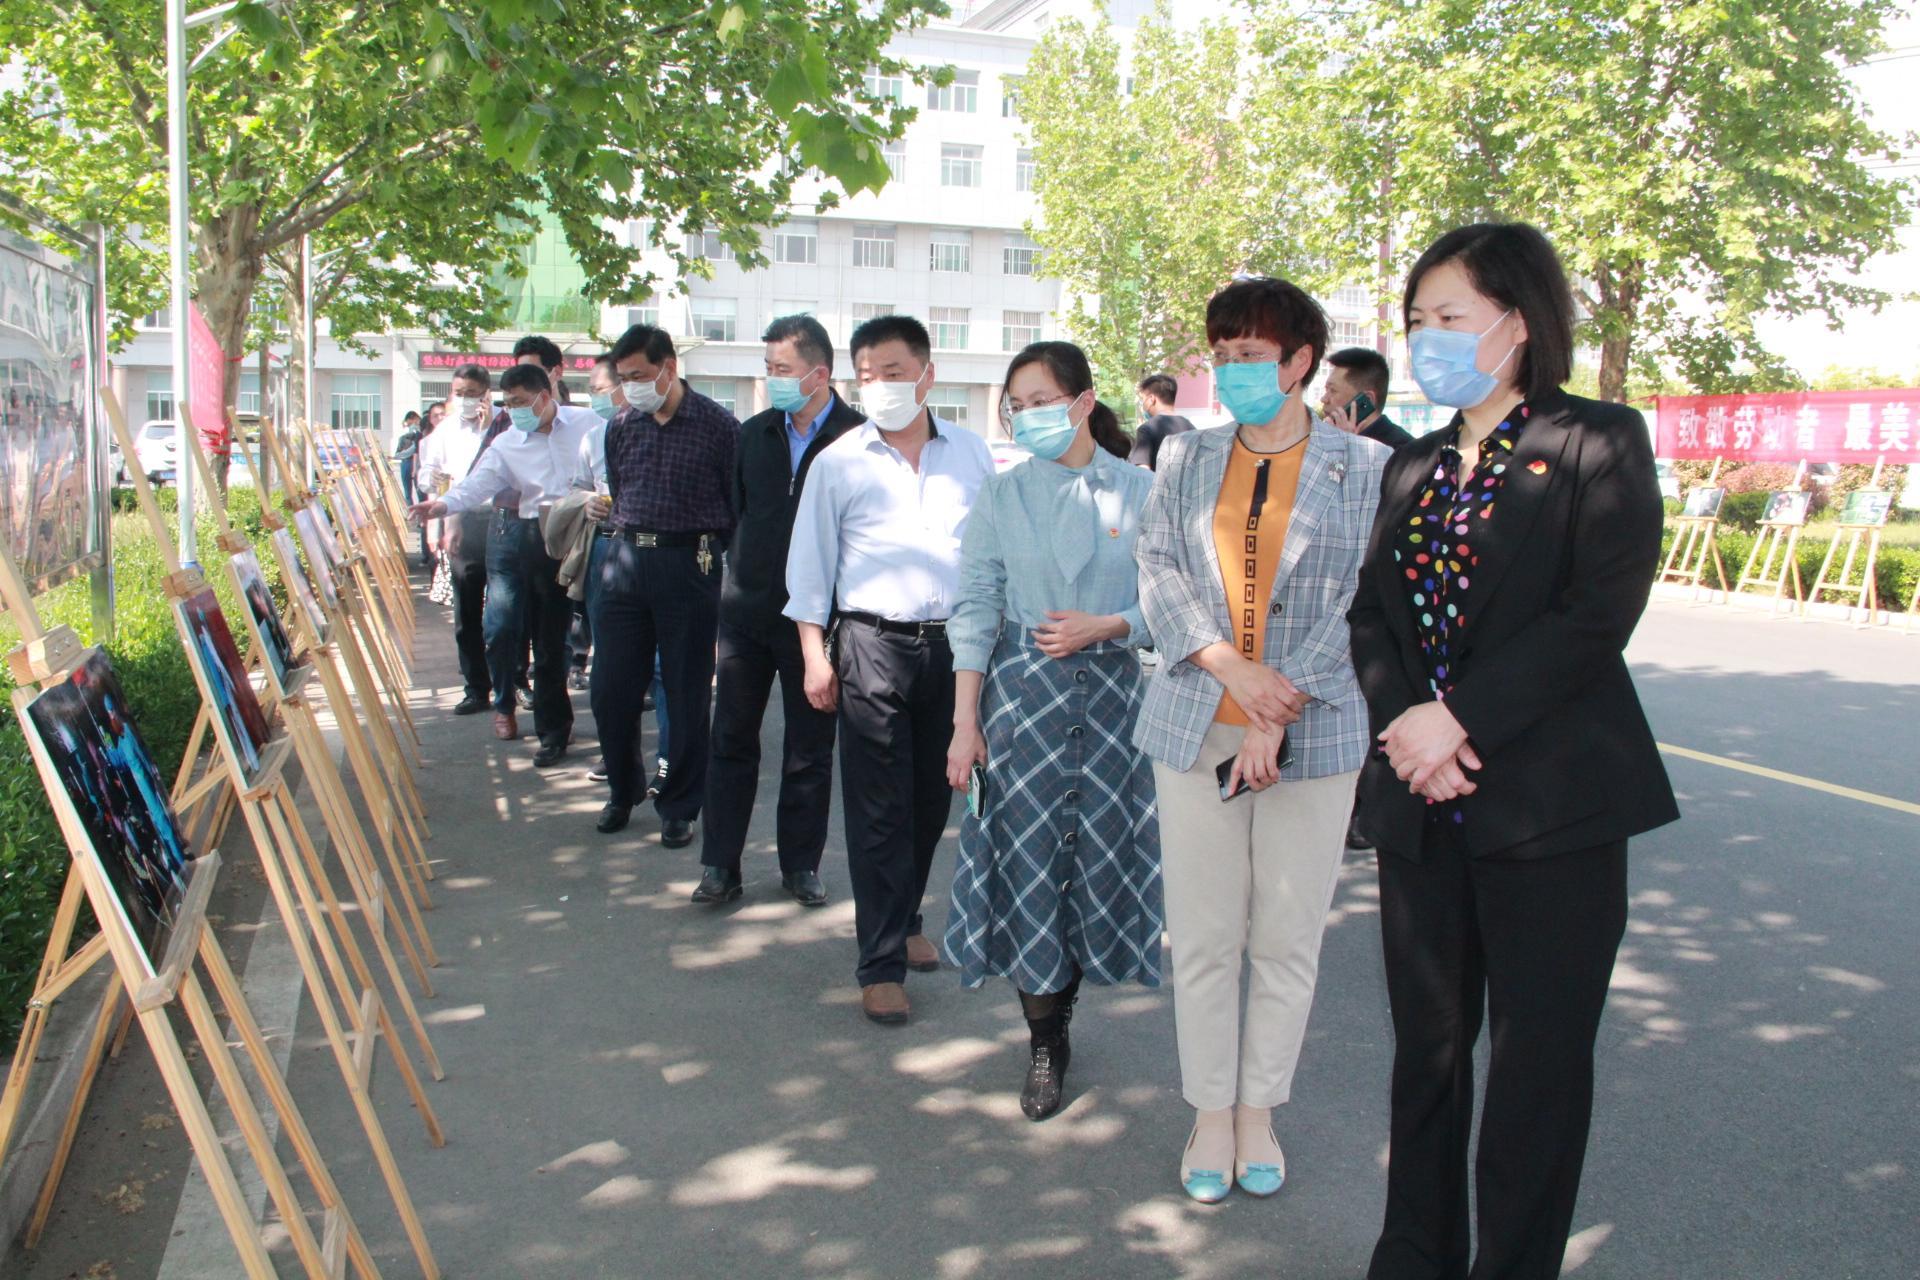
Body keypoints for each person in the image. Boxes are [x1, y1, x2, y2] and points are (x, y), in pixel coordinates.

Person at [1349, 223, 1677, 1280]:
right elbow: (1373, 618)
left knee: (1538, 1063)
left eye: (1450, 319)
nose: (1427, 340)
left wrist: (1461, 717)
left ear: (1519, 323)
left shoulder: (1598, 439)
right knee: (1428, 1053)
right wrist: (1410, 725)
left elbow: (1596, 614)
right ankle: (1414, 1254)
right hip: (1423, 799)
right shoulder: (1413, 461)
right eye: (1417, 322)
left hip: (1551, 809)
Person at [1133, 275, 1386, 1204]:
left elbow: (1365, 602)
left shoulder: (1362, 469)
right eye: (1225, 354)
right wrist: (1230, 671)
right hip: (1199, 723)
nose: (1235, 370)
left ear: (1300, 362)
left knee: (1285, 939)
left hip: (1313, 735)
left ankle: (1259, 1111)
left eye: (1253, 355)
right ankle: (1209, 1108)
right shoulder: (1185, 460)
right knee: (1203, 936)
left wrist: (1275, 707)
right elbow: (1156, 567)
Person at [943, 340, 1160, 1121]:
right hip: (1023, 707)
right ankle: (1044, 1039)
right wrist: (965, 724)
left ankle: (1073, 995)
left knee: (1098, 860)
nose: (1027, 414)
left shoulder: (1143, 491)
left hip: (1114, 711)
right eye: (1017, 403)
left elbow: (1174, 606)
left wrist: (1112, 625)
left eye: (1041, 399)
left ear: (1082, 400)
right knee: (1029, 864)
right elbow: (974, 608)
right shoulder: (1001, 497)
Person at [785, 315, 995, 1026]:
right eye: (868, 375)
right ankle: (879, 963)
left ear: (929, 374)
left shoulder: (971, 455)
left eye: (895, 372)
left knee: (932, 796)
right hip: (871, 643)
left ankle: (905, 917)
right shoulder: (838, 461)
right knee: (877, 806)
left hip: (956, 648)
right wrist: (816, 655)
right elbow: (809, 570)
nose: (881, 386)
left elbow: (992, 560)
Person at [693, 315, 862, 907]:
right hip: (746, 614)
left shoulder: (856, 438)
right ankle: (720, 866)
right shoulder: (753, 433)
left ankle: (800, 865)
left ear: (820, 373)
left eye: (782, 370)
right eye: (768, 370)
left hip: (817, 624)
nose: (772, 380)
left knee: (809, 750)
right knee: (730, 740)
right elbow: (736, 513)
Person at [586, 324, 738, 845]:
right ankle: (622, 790)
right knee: (610, 689)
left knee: (687, 690)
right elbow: (619, 487)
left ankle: (680, 804)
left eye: (640, 376)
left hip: (689, 564)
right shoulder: (622, 425)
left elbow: (734, 505)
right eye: (624, 378)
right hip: (625, 561)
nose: (631, 387)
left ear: (669, 367)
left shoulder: (719, 426)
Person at [410, 365, 591, 767]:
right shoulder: (507, 442)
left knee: (550, 641)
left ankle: (553, 731)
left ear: (546, 396)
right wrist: (441, 505)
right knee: (502, 625)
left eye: (521, 402)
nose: (514, 411)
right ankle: (503, 700)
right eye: (507, 404)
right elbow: (478, 483)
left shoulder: (586, 424)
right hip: (521, 537)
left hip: (567, 540)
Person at [1319, 346, 1415, 853]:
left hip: (1381, 605)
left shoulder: (1401, 453)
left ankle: (1367, 812)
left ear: (1366, 398)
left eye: (1334, 390)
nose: (1324, 399)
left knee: (1375, 709)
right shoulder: (1322, 445)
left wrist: (1351, 457)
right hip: (1335, 597)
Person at [580, 355, 668, 789]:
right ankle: (621, 774)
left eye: (602, 388)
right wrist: (585, 502)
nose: (596, 397)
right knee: (613, 676)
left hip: (667, 559)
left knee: (665, 672)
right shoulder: (596, 435)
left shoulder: (668, 428)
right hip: (611, 554)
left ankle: (669, 772)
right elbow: (576, 488)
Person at [415, 365, 497, 716]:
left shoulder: (501, 425)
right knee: (467, 610)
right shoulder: (443, 432)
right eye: (459, 393)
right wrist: (428, 479)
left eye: (472, 392)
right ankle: (476, 687)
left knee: (507, 611)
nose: (465, 400)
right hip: (461, 523)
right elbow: (426, 479)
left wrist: (490, 425)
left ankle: (515, 680)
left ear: (486, 392)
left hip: (501, 520)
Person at [1321, 346, 1415, 450]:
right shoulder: (1325, 439)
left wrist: (1348, 447)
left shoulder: (1402, 449)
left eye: (1333, 390)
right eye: (1326, 390)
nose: (1324, 399)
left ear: (1367, 400)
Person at [1127, 373, 1194, 470]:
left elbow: (1142, 471)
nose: (1143, 404)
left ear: (1151, 399)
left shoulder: (1146, 429)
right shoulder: (1191, 427)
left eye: (1143, 399)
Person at [513, 333, 574, 404]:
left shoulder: (581, 414)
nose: (526, 380)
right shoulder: (510, 414)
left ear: (557, 372)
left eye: (532, 373)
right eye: (521, 374)